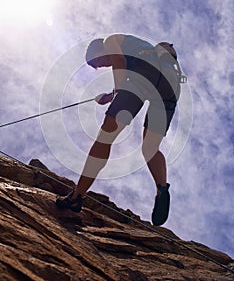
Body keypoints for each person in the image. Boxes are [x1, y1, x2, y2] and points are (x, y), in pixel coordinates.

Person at [56, 34, 184, 226]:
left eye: (97, 61)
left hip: (144, 73)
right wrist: (111, 96)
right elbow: (122, 74)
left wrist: (116, 93)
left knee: (105, 136)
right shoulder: (143, 49)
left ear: (98, 48)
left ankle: (77, 196)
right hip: (170, 86)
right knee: (150, 148)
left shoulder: (110, 40)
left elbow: (118, 59)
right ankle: (162, 188)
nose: (101, 66)